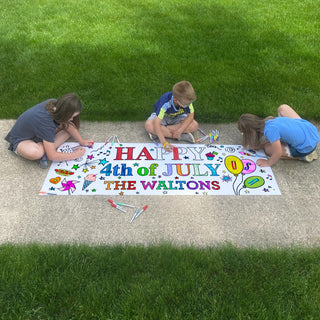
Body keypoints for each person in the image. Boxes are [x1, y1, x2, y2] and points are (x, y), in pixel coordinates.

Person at [5, 93, 94, 168]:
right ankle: (44, 149)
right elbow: (52, 156)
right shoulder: (46, 124)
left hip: (37, 133)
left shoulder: (55, 104)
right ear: (64, 112)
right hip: (21, 140)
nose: (72, 119)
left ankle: (45, 146)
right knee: (36, 153)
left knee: (69, 129)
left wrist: (81, 141)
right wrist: (75, 155)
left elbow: (69, 125)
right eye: (71, 116)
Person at [237, 104, 319, 167]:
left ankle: (303, 156)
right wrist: (260, 145)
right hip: (311, 131)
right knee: (283, 108)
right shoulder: (269, 121)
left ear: (252, 132)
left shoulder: (270, 131)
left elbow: (278, 153)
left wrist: (268, 162)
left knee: (268, 149)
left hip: (306, 146)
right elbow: (275, 134)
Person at [145, 81, 199, 151]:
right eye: (186, 105)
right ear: (175, 100)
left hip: (178, 117)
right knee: (149, 125)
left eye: (191, 103)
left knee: (194, 125)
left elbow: (190, 117)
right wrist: (164, 143)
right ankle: (181, 136)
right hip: (163, 118)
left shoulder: (187, 101)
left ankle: (158, 133)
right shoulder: (165, 101)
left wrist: (180, 130)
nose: (189, 105)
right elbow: (157, 122)